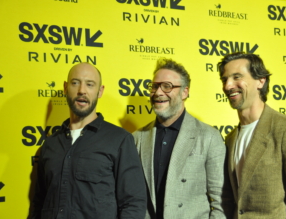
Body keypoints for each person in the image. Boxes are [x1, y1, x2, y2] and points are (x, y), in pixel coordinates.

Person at [31, 62, 146, 219]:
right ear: (65, 87)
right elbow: (38, 203)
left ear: (100, 91)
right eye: (75, 83)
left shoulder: (119, 140)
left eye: (90, 84)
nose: (82, 91)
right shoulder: (50, 145)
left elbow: (133, 204)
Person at [133, 58, 234, 219]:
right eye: (154, 86)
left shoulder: (208, 137)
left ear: (184, 92)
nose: (158, 92)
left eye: (167, 86)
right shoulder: (137, 138)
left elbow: (222, 201)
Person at [218, 52, 286, 218]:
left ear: (261, 81)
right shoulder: (230, 138)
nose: (228, 85)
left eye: (237, 77)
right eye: (224, 79)